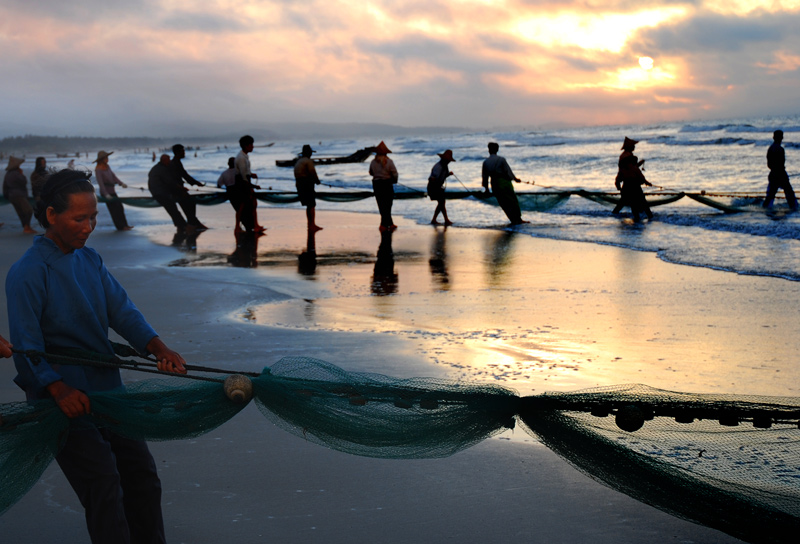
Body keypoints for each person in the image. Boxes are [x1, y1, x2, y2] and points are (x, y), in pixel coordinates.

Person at [6, 169, 187, 543]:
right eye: (79, 218)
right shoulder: (27, 273)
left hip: (108, 388)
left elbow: (121, 310)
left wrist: (157, 347)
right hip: (62, 400)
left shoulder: (90, 260)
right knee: (103, 484)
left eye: (93, 217)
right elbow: (26, 348)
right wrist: (57, 390)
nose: (88, 227)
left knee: (142, 476)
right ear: (52, 215)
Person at [482, 142, 528, 225]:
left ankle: (513, 220)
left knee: (503, 203)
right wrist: (515, 179)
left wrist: (486, 189)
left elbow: (485, 177)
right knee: (512, 201)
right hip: (504, 183)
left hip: (495, 184)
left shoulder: (486, 162)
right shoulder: (501, 159)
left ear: (489, 150)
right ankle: (518, 219)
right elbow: (508, 172)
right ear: (497, 150)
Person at [613, 137, 653, 222]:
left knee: (628, 203)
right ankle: (649, 218)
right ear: (629, 146)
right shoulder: (628, 157)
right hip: (634, 186)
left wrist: (618, 185)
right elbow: (636, 172)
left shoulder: (625, 158)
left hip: (626, 185)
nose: (634, 147)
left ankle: (614, 215)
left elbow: (623, 172)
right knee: (642, 202)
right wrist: (646, 182)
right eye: (633, 145)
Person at [168, 144, 207, 230]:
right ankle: (192, 223)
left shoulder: (176, 162)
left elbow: (184, 175)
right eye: (183, 151)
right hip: (177, 189)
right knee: (190, 203)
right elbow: (184, 175)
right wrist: (196, 183)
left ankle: (193, 223)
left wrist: (196, 183)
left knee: (188, 205)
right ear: (178, 152)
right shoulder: (175, 163)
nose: (184, 153)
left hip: (178, 189)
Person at [94, 150, 134, 231]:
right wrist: (106, 194)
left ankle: (125, 225)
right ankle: (120, 227)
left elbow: (113, 176)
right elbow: (101, 184)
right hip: (106, 193)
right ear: (102, 159)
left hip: (112, 191)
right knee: (114, 210)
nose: (107, 159)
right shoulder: (98, 170)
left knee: (120, 207)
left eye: (107, 157)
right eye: (106, 158)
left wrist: (121, 183)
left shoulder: (107, 166)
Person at [148, 154, 190, 230]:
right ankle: (183, 225)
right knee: (172, 208)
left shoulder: (155, 168)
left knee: (172, 208)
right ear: (164, 160)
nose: (170, 161)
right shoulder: (162, 169)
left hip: (155, 191)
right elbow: (170, 182)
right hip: (160, 193)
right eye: (168, 160)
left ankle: (181, 225)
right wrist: (182, 188)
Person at [234, 135, 264, 233]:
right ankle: (252, 225)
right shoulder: (242, 158)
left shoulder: (243, 156)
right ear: (246, 146)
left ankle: (241, 226)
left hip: (243, 183)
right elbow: (244, 176)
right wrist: (252, 187)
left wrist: (251, 174)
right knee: (247, 205)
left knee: (245, 206)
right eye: (251, 144)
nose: (252, 146)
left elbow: (245, 172)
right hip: (243, 184)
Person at [763, 129, 798, 210]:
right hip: (781, 175)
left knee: (770, 196)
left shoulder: (770, 148)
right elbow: (782, 164)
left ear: (773, 137)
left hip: (773, 174)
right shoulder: (780, 149)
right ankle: (795, 209)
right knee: (790, 194)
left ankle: (764, 209)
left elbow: (769, 164)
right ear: (782, 138)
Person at [369, 141, 398, 231]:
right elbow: (395, 173)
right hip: (387, 184)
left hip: (377, 184)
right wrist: (394, 180)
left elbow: (371, 173)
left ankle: (389, 224)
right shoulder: (389, 161)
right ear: (385, 153)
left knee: (381, 204)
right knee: (388, 204)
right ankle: (384, 225)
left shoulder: (373, 162)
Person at [3, 156, 37, 233]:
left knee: (21, 212)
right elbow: (23, 181)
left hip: (11, 196)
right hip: (19, 195)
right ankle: (27, 227)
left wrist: (6, 195)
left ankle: (26, 227)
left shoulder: (8, 174)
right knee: (28, 210)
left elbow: (5, 186)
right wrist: (21, 174)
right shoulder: (16, 173)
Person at [294, 144, 323, 231]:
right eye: (310, 152)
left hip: (299, 184)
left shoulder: (299, 161)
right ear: (309, 153)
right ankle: (312, 224)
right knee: (311, 204)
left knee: (308, 205)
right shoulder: (308, 161)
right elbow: (312, 172)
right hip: (306, 184)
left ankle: (310, 224)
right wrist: (317, 181)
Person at [428, 149, 455, 226]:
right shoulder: (438, 167)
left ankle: (437, 219)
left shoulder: (444, 166)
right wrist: (435, 182)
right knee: (442, 202)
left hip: (438, 187)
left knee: (441, 203)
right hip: (433, 187)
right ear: (444, 159)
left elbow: (443, 176)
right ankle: (444, 220)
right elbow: (431, 178)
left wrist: (449, 174)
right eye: (448, 160)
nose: (449, 162)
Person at [217, 157, 243, 231]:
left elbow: (219, 184)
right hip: (238, 191)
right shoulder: (238, 172)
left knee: (237, 209)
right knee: (241, 208)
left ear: (228, 164)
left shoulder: (224, 173)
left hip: (230, 193)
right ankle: (238, 225)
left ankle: (239, 225)